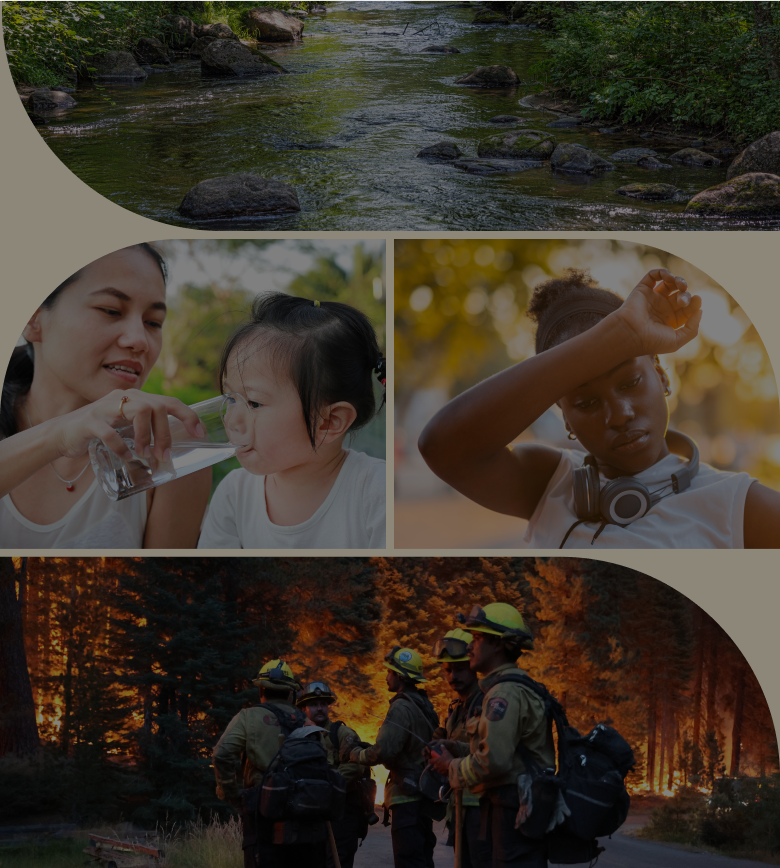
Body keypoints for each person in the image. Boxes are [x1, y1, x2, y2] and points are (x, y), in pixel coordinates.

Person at [418, 268, 780, 548]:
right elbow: (442, 446)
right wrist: (617, 336)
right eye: (586, 402)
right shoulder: (549, 483)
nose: (619, 414)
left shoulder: (741, 507)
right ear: (566, 418)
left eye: (630, 383)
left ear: (662, 376)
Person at [0, 244, 211, 548]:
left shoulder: (173, 451)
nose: (139, 341)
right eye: (111, 310)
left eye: (153, 322)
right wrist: (58, 436)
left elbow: (164, 591)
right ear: (33, 319)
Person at [198, 293, 386, 549]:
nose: (231, 420)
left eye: (253, 403)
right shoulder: (234, 495)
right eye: (230, 397)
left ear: (328, 422)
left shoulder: (375, 492)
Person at [429, 603, 554, 868]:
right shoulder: (514, 687)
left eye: (477, 638)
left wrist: (450, 766)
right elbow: (507, 750)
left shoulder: (503, 693)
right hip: (519, 810)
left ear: (498, 644)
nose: (470, 647)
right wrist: (455, 746)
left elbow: (494, 761)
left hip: (512, 814)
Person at [212, 659, 327, 868]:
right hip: (305, 813)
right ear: (290, 693)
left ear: (261, 690)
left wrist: (233, 795)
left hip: (261, 812)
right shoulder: (307, 722)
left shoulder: (248, 717)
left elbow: (222, 753)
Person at [341, 646, 440, 868]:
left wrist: (355, 754)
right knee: (423, 858)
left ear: (400, 676)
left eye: (390, 672)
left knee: (408, 860)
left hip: (406, 797)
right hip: (423, 795)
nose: (386, 677)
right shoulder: (424, 705)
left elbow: (382, 751)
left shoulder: (401, 707)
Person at [297, 680, 374, 868]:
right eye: (314, 705)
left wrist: (328, 786)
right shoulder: (298, 736)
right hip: (311, 813)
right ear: (304, 708)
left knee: (338, 861)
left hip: (342, 812)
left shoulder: (341, 733)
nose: (320, 708)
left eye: (323, 704)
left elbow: (356, 765)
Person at [432, 629, 491, 868]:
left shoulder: (489, 701)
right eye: (447, 670)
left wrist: (452, 747)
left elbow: (489, 754)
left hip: (483, 809)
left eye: (459, 669)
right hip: (459, 808)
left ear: (473, 664)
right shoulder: (458, 709)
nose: (452, 676)